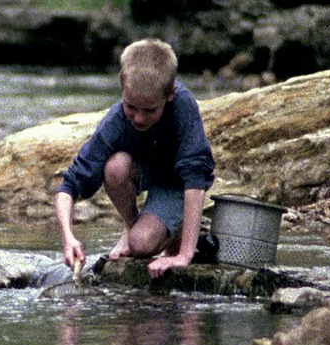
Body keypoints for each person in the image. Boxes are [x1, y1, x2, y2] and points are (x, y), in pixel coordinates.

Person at [55, 38, 215, 278]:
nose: (139, 118)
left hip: (177, 182)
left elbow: (195, 179)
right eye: (131, 107)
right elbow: (68, 186)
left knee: (141, 244)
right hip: (145, 169)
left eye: (150, 110)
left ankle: (179, 231)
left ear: (170, 94)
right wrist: (68, 239)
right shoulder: (116, 120)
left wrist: (184, 255)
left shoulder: (183, 106)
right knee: (115, 166)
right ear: (122, 88)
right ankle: (131, 227)